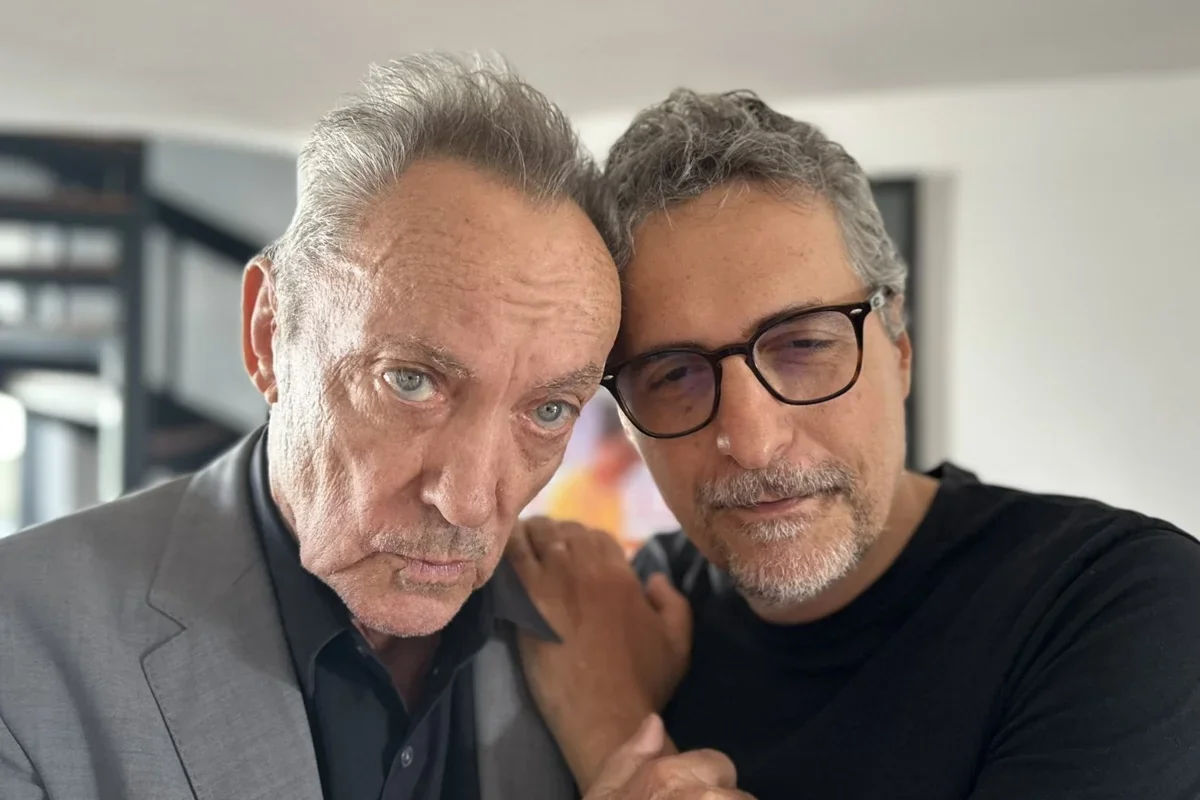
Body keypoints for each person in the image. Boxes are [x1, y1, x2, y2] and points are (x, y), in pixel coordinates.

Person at [0, 56, 745, 800]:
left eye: (548, 410)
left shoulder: (607, 645)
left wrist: (617, 726)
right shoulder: (22, 643)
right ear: (268, 334)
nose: (467, 503)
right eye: (411, 381)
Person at [511, 88, 1200, 799]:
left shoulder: (1115, 604)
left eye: (805, 345)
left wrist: (614, 734)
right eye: (674, 374)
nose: (753, 442)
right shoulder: (629, 612)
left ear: (899, 348)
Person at [544, 401, 644, 552]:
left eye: (631, 461)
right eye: (623, 456)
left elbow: (611, 539)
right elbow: (569, 543)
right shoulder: (572, 486)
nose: (624, 467)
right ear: (606, 445)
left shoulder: (614, 497)